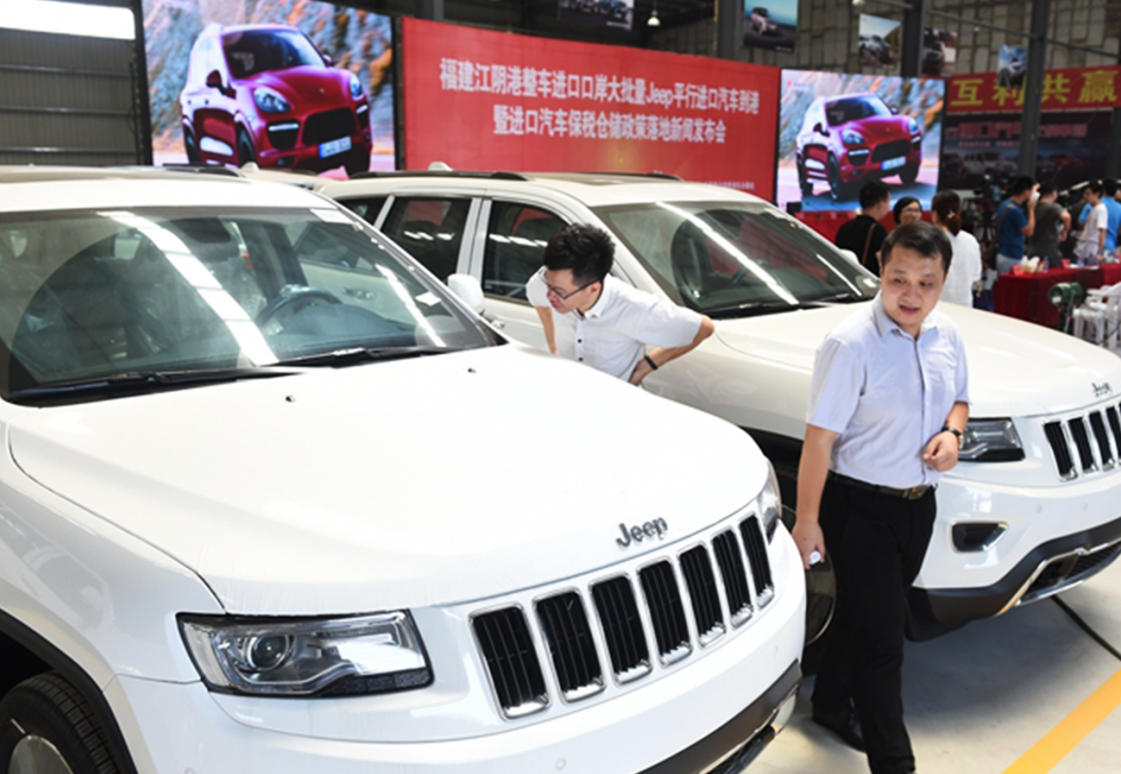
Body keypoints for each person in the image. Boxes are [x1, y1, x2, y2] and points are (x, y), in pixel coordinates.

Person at [793, 220, 969, 774]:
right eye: (899, 280)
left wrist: (953, 435)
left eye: (926, 283)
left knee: (865, 618)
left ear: (942, 283)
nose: (911, 295)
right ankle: (895, 762)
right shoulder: (850, 344)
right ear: (880, 274)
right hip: (860, 509)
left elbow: (960, 400)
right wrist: (808, 522)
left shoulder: (947, 336)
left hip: (920, 506)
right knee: (884, 641)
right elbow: (819, 440)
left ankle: (829, 703)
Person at [526, 223, 714, 384]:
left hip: (615, 405)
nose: (550, 296)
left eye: (559, 292)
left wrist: (646, 366)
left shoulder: (634, 307)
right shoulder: (547, 280)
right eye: (549, 286)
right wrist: (554, 348)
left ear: (593, 289)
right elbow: (539, 300)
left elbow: (703, 327)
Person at [931, 190, 982, 306]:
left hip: (935, 305)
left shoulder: (929, 239)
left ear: (935, 214)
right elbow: (976, 276)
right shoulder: (971, 240)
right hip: (964, 304)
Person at [835, 181, 891, 275]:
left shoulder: (845, 227)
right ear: (880, 204)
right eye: (888, 202)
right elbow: (883, 263)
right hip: (867, 282)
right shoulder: (877, 230)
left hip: (846, 278)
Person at [993, 176, 1038, 274]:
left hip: (1003, 253)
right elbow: (1029, 231)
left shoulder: (1005, 205)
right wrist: (1031, 209)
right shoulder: (1015, 211)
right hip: (1011, 256)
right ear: (1026, 192)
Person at [1026, 182, 1070, 266]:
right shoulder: (1053, 206)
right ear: (1054, 193)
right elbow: (1066, 217)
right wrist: (1065, 231)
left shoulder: (1032, 206)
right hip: (1050, 251)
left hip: (1033, 249)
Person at [1074, 179, 1108, 267]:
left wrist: (1099, 252)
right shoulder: (1093, 208)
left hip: (1092, 247)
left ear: (1097, 194)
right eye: (1085, 193)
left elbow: (1102, 231)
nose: (1085, 196)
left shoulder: (1101, 210)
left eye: (1088, 194)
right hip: (1085, 245)